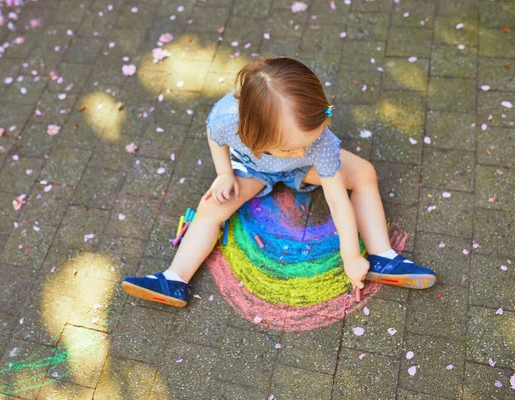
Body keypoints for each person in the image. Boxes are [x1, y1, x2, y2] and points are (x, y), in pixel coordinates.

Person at [121, 57, 436, 308]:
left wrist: (352, 257)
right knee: (210, 208)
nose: (302, 149)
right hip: (252, 168)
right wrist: (224, 174)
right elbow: (213, 136)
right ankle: (175, 279)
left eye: (309, 140)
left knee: (364, 172)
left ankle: (382, 257)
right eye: (291, 147)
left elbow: (338, 201)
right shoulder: (226, 120)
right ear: (252, 133)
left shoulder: (319, 144)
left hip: (303, 171)